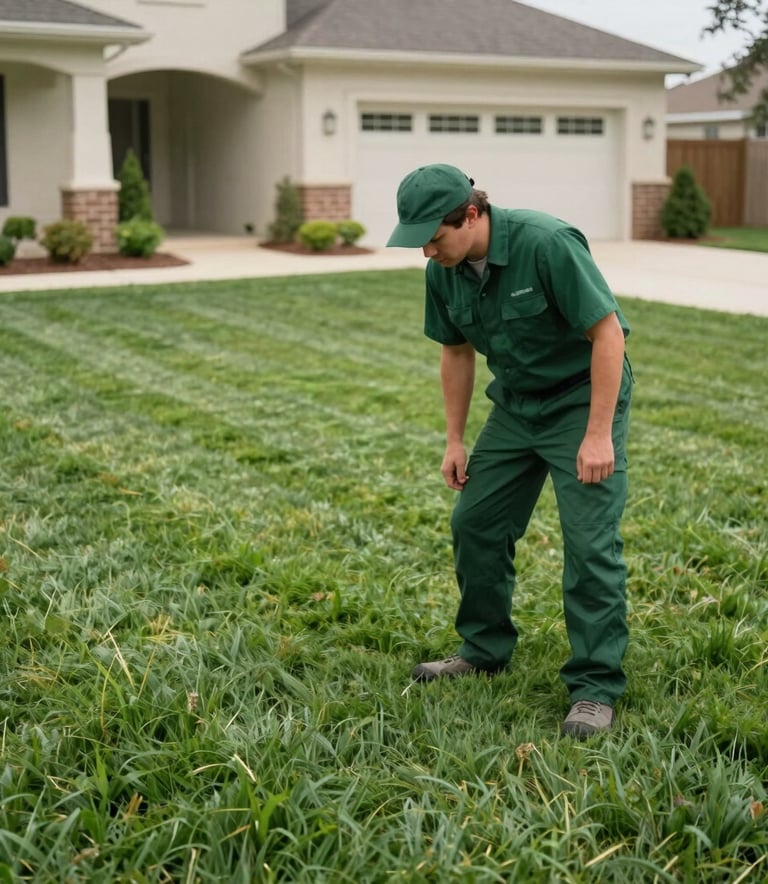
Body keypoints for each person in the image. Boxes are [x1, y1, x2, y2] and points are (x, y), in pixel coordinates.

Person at [387, 164, 633, 739]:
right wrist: (455, 437)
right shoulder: (443, 271)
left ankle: (595, 687)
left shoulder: (546, 243)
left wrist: (597, 433)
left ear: (471, 215)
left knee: (590, 543)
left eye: (434, 236)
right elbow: (456, 352)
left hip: (581, 401)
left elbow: (608, 334)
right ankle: (484, 649)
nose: (426, 251)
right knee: (475, 522)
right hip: (518, 405)